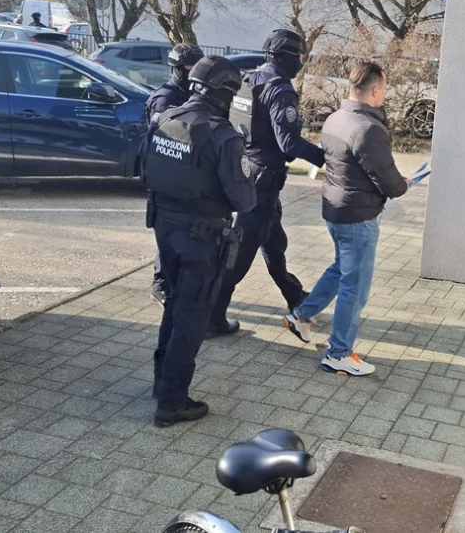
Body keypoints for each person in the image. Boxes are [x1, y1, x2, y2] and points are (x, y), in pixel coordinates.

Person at [142, 55, 256, 427]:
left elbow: (146, 172)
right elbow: (244, 200)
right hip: (201, 241)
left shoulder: (164, 120)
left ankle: (161, 384)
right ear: (225, 93)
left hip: (165, 232)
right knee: (190, 320)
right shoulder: (224, 137)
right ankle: (172, 403)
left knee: (173, 308)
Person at [283, 62, 408, 376]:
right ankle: (338, 353)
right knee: (355, 285)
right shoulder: (368, 129)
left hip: (336, 210)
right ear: (375, 89)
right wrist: (402, 185)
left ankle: (300, 316)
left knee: (341, 269)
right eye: (384, 88)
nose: (384, 94)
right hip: (358, 217)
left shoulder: (335, 118)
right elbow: (388, 180)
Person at [211, 28, 326, 336]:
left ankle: (294, 295)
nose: (301, 61)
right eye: (299, 56)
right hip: (262, 184)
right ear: (286, 57)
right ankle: (212, 315)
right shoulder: (280, 89)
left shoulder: (250, 81)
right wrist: (324, 157)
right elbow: (289, 143)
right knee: (239, 256)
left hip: (251, 173)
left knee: (275, 245)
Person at [145, 43, 206, 305]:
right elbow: (161, 138)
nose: (192, 74)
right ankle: (161, 284)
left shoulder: (193, 95)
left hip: (186, 176)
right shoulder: (165, 98)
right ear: (177, 69)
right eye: (187, 69)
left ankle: (173, 283)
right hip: (167, 175)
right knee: (168, 234)